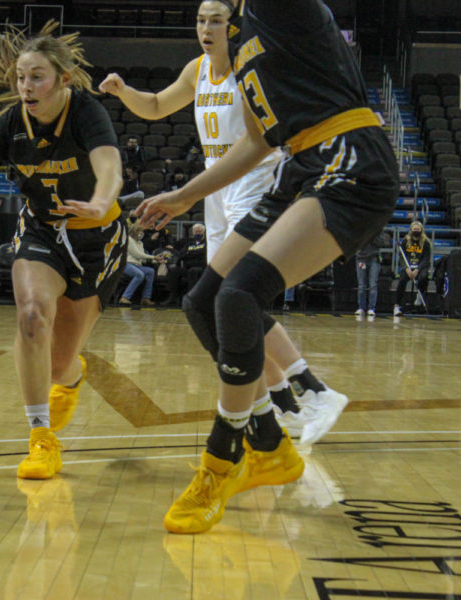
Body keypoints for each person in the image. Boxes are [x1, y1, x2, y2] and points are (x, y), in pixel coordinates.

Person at [134, 0, 399, 533]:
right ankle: (270, 447)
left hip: (348, 158)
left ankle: (222, 457)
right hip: (299, 164)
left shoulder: (282, 11)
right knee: (203, 301)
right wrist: (186, 195)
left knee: (240, 294)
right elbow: (257, 140)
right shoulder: (241, 37)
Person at [100, 0, 344, 450]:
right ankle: (285, 404)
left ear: (234, 26)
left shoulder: (250, 64)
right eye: (200, 20)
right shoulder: (197, 70)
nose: (207, 27)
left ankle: (312, 389)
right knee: (226, 305)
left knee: (235, 294)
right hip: (217, 187)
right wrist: (123, 91)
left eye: (216, 20)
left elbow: (264, 135)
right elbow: (155, 105)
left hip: (257, 177)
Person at [0, 21, 126, 480]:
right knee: (31, 316)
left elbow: (109, 164)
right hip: (42, 232)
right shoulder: (12, 123)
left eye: (36, 77)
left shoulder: (87, 113)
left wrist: (101, 200)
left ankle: (72, 376)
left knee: (59, 365)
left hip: (97, 239)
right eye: (20, 77)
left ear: (63, 80)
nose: (26, 87)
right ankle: (40, 439)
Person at [119, 220, 163, 306]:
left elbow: (142, 259)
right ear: (134, 231)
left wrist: (157, 260)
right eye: (140, 231)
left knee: (150, 271)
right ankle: (124, 297)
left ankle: (146, 298)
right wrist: (153, 257)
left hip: (137, 265)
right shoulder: (129, 240)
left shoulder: (140, 243)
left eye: (142, 231)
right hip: (126, 264)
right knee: (139, 274)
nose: (141, 233)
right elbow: (137, 254)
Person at [393, 221, 431, 316]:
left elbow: (426, 259)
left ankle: (419, 296)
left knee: (424, 277)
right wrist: (406, 269)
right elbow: (402, 257)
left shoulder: (426, 242)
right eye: (414, 229)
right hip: (408, 268)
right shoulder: (406, 241)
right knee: (401, 280)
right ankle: (397, 306)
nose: (416, 231)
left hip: (420, 268)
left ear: (421, 230)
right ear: (411, 230)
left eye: (418, 229)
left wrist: (417, 269)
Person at [355, 228, 389, 317]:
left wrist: (372, 235)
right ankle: (361, 307)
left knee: (373, 284)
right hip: (361, 258)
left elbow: (381, 243)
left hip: (374, 258)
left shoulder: (378, 229)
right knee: (361, 284)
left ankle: (371, 308)